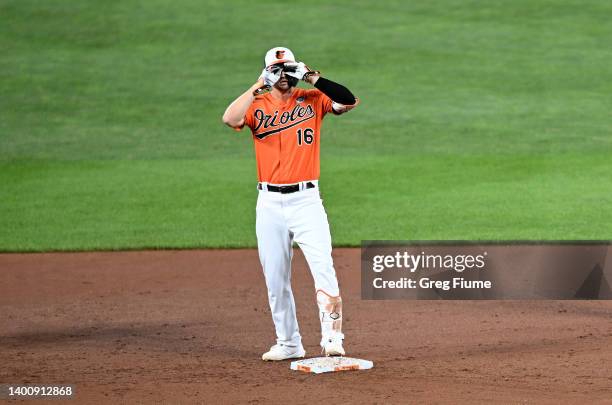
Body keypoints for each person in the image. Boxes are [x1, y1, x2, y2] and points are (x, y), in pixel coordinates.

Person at [222, 47, 359, 361]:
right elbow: (229, 118)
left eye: (288, 69)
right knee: (275, 277)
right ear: (268, 72)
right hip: (268, 204)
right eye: (276, 70)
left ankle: (333, 339)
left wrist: (312, 77)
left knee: (323, 269)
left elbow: (347, 100)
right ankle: (288, 343)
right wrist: (258, 85)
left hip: (306, 201)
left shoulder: (313, 99)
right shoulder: (256, 105)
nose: (283, 76)